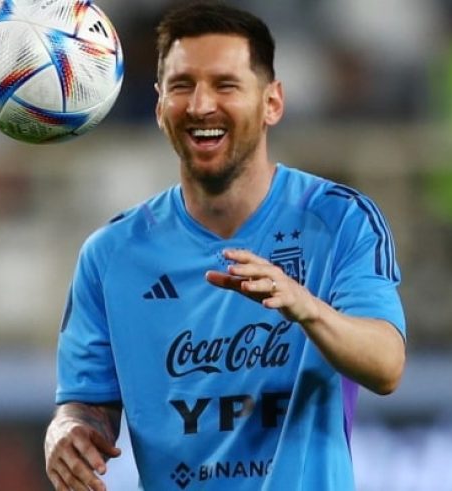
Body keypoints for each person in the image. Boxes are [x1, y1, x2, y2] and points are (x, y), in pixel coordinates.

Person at [44, 2, 406, 490]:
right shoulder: (111, 256)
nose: (200, 105)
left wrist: (307, 308)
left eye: (225, 84)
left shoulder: (338, 220)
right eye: (182, 86)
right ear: (158, 106)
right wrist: (70, 430)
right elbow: (88, 402)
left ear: (272, 102)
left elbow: (386, 365)